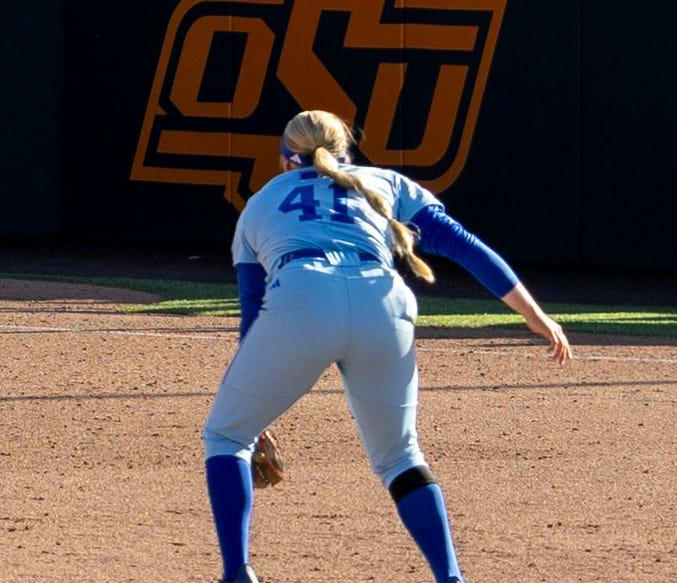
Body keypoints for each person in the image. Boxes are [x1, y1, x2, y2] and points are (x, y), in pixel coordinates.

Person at [198, 106, 570, 583]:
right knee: (400, 457)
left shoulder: (261, 201)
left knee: (227, 437)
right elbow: (464, 244)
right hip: (385, 300)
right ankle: (450, 578)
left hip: (302, 294)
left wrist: (255, 412)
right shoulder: (385, 182)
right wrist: (533, 314)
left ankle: (236, 573)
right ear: (346, 151)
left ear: (286, 158)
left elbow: (254, 312)